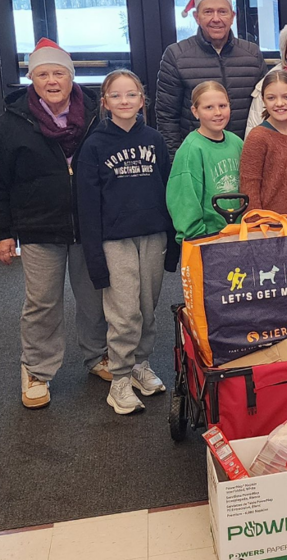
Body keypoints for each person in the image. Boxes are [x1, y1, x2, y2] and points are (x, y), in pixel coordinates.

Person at [0, 38, 107, 409]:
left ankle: (98, 356)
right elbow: (2, 181)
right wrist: (4, 233)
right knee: (42, 301)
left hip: (88, 224)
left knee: (93, 297)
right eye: (42, 73)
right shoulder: (13, 120)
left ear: (71, 76)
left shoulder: (96, 112)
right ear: (32, 79)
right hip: (37, 225)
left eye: (58, 72)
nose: (51, 80)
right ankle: (37, 370)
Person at [76, 71, 179, 415]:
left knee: (147, 308)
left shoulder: (155, 140)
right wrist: (94, 257)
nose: (124, 101)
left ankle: (140, 365)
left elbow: (168, 190)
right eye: (116, 96)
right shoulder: (93, 146)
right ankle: (118, 378)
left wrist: (172, 242)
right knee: (123, 313)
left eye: (131, 95)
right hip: (113, 241)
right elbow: (87, 208)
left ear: (141, 100)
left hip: (152, 235)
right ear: (104, 102)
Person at [156, 0, 266, 152]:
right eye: (208, 12)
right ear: (196, 17)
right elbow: (167, 117)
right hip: (198, 156)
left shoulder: (252, 54)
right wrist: (176, 160)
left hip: (245, 153)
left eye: (222, 11)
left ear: (232, 16)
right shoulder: (176, 55)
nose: (216, 18)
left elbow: (264, 108)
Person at [166, 82, 244, 243]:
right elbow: (184, 201)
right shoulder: (191, 149)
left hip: (239, 235)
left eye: (222, 106)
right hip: (206, 239)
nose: (218, 113)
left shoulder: (236, 142)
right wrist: (199, 238)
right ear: (195, 112)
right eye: (208, 107)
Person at [239, 70, 287, 224]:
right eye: (271, 98)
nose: (280, 103)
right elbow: (249, 186)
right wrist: (256, 224)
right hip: (271, 222)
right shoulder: (257, 137)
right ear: (263, 101)